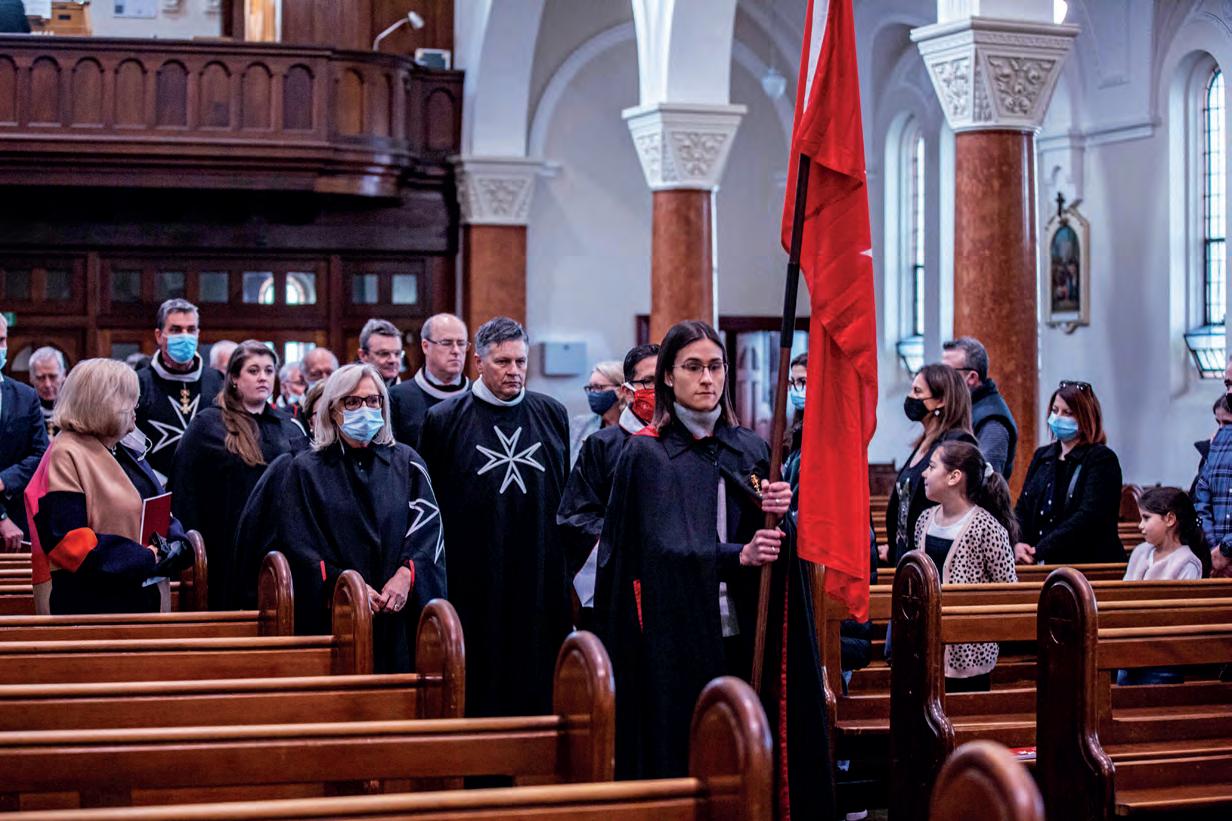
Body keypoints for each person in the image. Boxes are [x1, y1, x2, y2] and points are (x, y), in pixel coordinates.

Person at [595, 320, 792, 780]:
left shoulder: (749, 449)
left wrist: (781, 514)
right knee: (683, 751)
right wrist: (736, 555)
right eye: (693, 367)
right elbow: (654, 550)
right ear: (668, 376)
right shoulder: (645, 454)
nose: (707, 379)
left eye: (716, 367)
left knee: (741, 752)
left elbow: (774, 541)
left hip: (743, 627)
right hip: (673, 633)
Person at [417, 317, 571, 717]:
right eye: (503, 362)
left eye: (521, 361)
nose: (514, 371)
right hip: (473, 572)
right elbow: (431, 504)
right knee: (478, 676)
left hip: (538, 570)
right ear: (478, 362)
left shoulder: (552, 414)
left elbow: (563, 497)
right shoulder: (444, 419)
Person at [277, 364, 446, 672]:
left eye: (372, 400)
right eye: (352, 402)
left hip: (398, 615)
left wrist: (406, 574)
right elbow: (299, 545)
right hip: (337, 617)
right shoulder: (306, 470)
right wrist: (347, 586)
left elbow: (428, 531)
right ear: (333, 410)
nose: (364, 409)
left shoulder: (407, 462)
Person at [24, 359, 192, 615]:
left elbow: (153, 505)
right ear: (103, 403)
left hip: (141, 595)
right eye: (129, 399)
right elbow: (67, 541)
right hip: (95, 605)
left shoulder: (123, 446)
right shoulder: (66, 452)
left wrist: (177, 542)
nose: (136, 406)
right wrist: (146, 556)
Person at [172, 341, 310, 610]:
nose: (263, 377)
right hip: (224, 543)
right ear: (234, 378)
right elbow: (184, 492)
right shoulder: (207, 425)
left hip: (278, 542)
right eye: (253, 370)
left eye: (269, 371)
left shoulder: (289, 426)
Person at [557, 343, 658, 630]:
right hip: (617, 583)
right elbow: (575, 517)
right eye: (649, 381)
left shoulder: (688, 442)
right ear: (627, 390)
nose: (659, 389)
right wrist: (622, 540)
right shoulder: (602, 445)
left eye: (665, 379)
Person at [915, 440, 1018, 692]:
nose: (924, 473)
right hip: (926, 646)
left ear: (954, 477)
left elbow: (1008, 591)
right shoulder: (924, 520)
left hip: (969, 651)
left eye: (932, 467)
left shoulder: (987, 527)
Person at [1014, 381, 1124, 564]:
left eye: (1067, 413)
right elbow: (1022, 508)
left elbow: (1088, 517)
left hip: (1086, 564)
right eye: (1055, 410)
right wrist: (1018, 542)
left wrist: (1039, 550)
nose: (1058, 417)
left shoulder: (1101, 459)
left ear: (1086, 417)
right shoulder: (1042, 456)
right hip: (1041, 561)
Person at [885, 364, 977, 563]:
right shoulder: (924, 442)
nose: (910, 397)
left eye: (917, 391)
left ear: (941, 400)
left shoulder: (957, 443)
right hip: (908, 557)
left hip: (936, 558)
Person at [134, 299, 224, 485]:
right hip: (154, 487)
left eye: (191, 330)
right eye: (176, 330)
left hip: (209, 487)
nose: (185, 336)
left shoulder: (217, 381)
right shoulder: (138, 383)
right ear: (159, 336)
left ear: (198, 334)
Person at [0, 314, 49, 549]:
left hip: (20, 522)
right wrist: (1, 517)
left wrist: (5, 480)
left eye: (1, 340)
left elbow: (41, 454)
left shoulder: (25, 396)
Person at [389, 313, 471, 448]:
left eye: (461, 343)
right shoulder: (396, 397)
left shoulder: (478, 395)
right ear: (425, 346)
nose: (456, 351)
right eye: (447, 343)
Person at [941, 337, 1018, 479]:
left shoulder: (992, 422)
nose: (941, 379)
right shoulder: (963, 408)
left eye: (948, 372)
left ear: (972, 377)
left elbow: (985, 480)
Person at [568, 360, 624, 465]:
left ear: (621, 390)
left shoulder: (632, 427)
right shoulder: (580, 424)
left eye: (599, 387)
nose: (592, 393)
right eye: (590, 388)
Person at [1190, 394, 1232, 496]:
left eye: (1227, 423)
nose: (1220, 429)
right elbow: (1197, 496)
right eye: (1218, 423)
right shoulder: (1211, 451)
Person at [28, 346, 66, 437]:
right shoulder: (24, 411)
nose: (47, 384)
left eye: (53, 377)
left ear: (63, 375)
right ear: (31, 378)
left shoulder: (74, 411)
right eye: (40, 378)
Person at [357, 319, 405, 388]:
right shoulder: (347, 391)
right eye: (384, 354)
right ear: (363, 355)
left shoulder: (407, 392)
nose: (393, 360)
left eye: (397, 354)